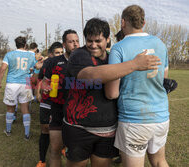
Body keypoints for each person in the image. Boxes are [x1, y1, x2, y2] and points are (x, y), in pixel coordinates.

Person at [62, 18, 161, 167]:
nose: (93, 45)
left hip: (108, 129)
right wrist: (134, 64)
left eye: (98, 40)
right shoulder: (79, 55)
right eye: (89, 41)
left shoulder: (113, 58)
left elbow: (128, 83)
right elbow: (90, 75)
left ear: (108, 40)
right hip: (79, 128)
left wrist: (162, 84)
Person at [106, 5, 170, 167]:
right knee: (159, 162)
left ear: (123, 22)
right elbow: (164, 80)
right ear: (143, 22)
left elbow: (112, 93)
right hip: (161, 116)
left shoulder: (118, 48)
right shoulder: (160, 44)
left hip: (134, 120)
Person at [40, 30, 79, 167]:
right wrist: (44, 87)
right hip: (57, 110)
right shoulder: (54, 62)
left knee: (75, 153)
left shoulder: (84, 61)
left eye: (77, 41)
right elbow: (44, 81)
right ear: (64, 44)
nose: (75, 44)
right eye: (71, 41)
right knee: (55, 149)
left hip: (77, 112)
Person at [0, 36, 43, 139]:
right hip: (25, 84)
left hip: (12, 84)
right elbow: (35, 69)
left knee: (10, 108)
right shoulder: (31, 56)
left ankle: (8, 131)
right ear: (25, 44)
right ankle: (26, 134)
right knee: (25, 108)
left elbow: (3, 69)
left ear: (16, 44)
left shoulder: (9, 54)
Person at [36, 42, 64, 167]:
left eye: (61, 52)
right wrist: (38, 92)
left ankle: (63, 147)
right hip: (47, 101)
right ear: (51, 54)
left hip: (60, 103)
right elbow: (40, 79)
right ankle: (42, 160)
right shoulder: (47, 63)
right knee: (45, 130)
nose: (60, 55)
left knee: (63, 129)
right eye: (57, 53)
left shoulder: (67, 63)